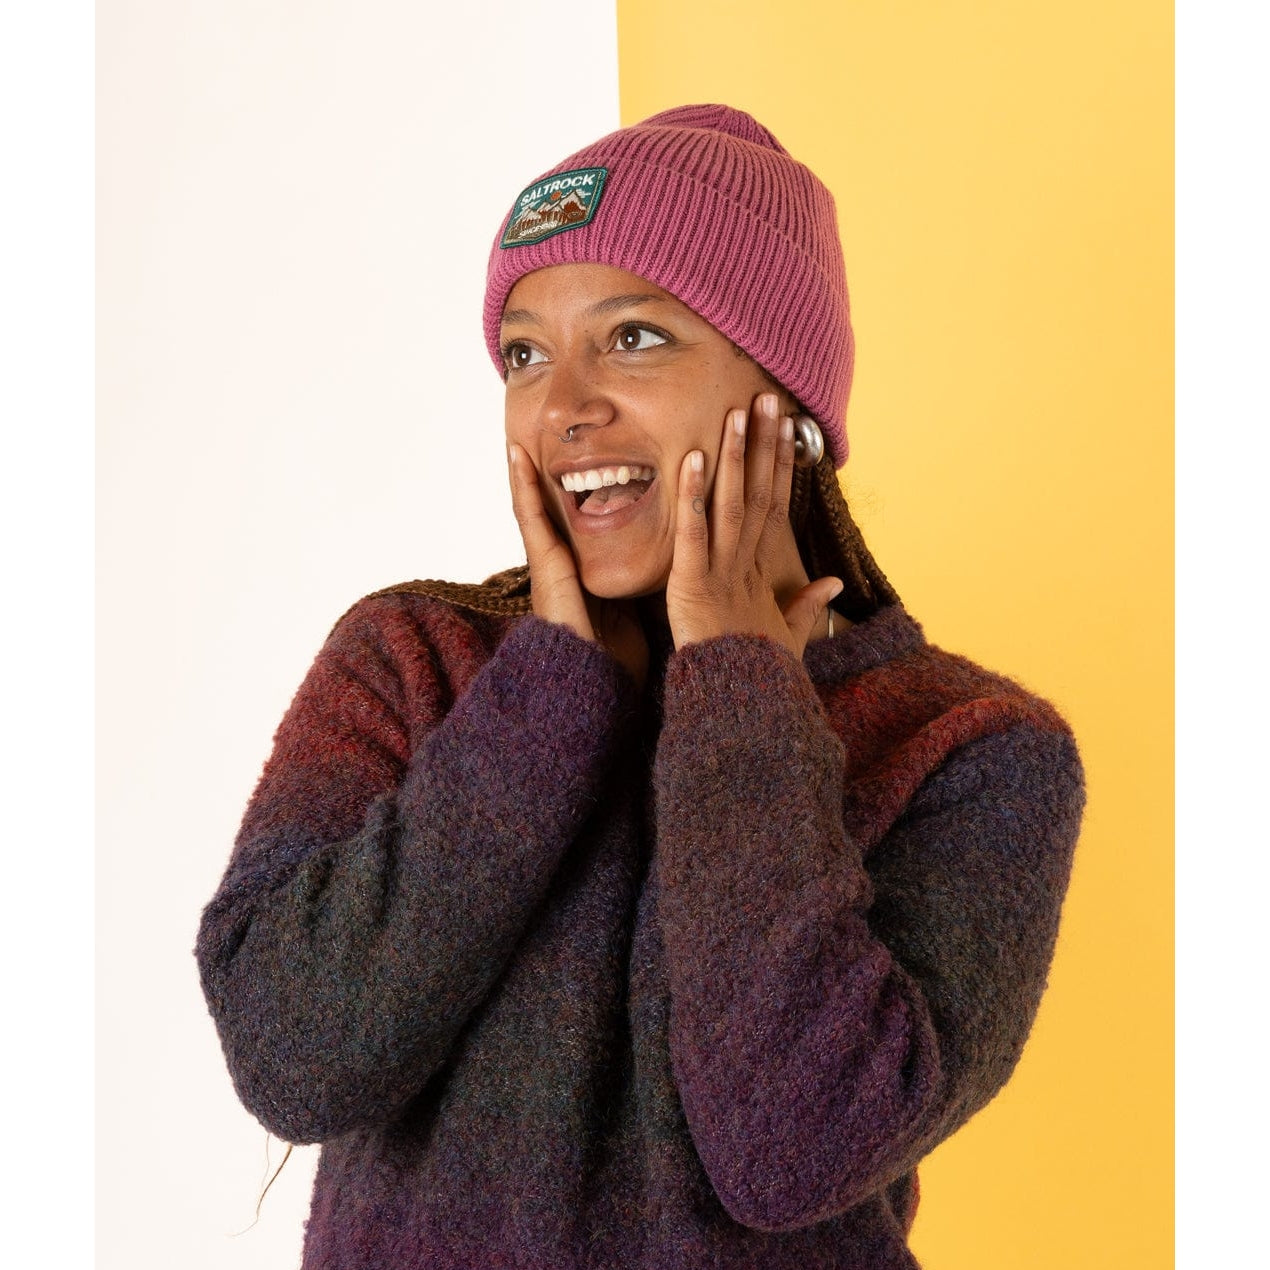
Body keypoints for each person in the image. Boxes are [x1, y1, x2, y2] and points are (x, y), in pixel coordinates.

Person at [196, 104, 1084, 1269]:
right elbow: (296, 1056)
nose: (565, 406)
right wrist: (546, 701)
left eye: (633, 339)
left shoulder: (972, 749)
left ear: (791, 401)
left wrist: (741, 690)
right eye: (524, 354)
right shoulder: (409, 659)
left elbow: (793, 1149)